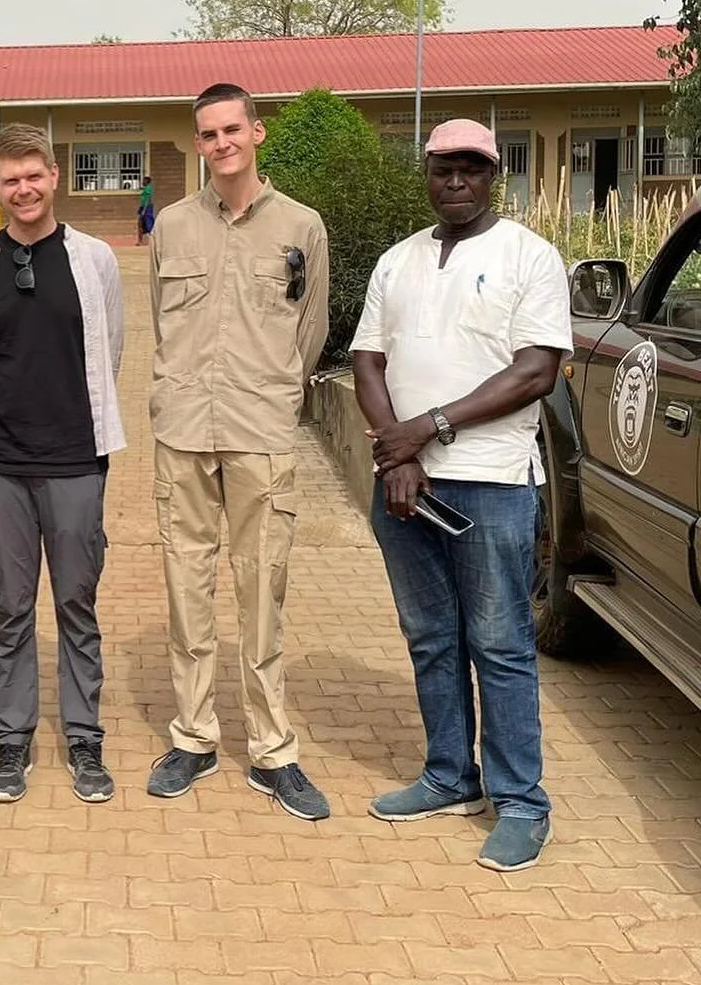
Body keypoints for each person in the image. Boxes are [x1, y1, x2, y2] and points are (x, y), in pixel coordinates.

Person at [351, 118, 570, 872]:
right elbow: (367, 359)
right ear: (428, 172)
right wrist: (396, 454)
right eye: (444, 168)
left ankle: (520, 802)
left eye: (471, 169)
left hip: (494, 483)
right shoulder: (398, 261)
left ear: (492, 175)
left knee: (500, 643)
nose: (456, 181)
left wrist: (428, 429)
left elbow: (534, 372)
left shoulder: (529, 258)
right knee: (431, 636)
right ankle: (450, 776)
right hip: (406, 484)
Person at [148, 83, 331, 819]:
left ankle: (271, 752)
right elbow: (163, 330)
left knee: (263, 595)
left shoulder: (302, 225)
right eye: (208, 134)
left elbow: (311, 328)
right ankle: (193, 738)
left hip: (260, 433)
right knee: (186, 590)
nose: (221, 143)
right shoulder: (171, 226)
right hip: (185, 432)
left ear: (257, 133)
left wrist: (277, 396)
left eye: (233, 130)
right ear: (198, 144)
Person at [0, 124, 124, 804]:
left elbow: (110, 352)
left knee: (77, 603)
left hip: (77, 460)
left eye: (34, 175)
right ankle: (12, 738)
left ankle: (84, 738)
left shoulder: (95, 259)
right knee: (10, 606)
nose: (23, 189)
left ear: (54, 176)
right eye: (9, 179)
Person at [137, 174, 156, 244]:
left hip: (147, 207)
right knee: (140, 223)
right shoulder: (146, 188)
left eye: (144, 181)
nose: (142, 182)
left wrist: (144, 210)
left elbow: (148, 199)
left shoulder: (148, 188)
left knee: (148, 224)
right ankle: (141, 240)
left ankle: (148, 240)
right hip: (143, 207)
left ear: (147, 181)